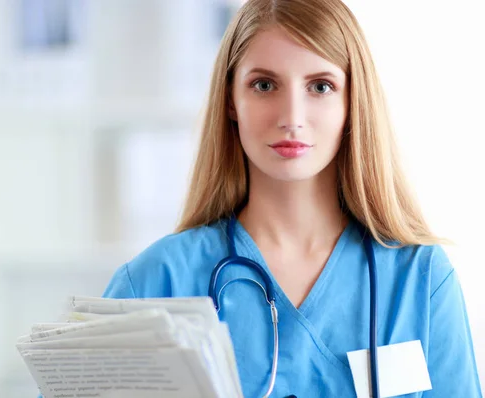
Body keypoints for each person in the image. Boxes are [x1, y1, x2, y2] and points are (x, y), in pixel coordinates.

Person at [101, 0, 483, 397]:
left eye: (321, 87)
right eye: (264, 85)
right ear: (231, 99)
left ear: (353, 103)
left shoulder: (418, 280)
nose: (292, 116)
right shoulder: (157, 281)